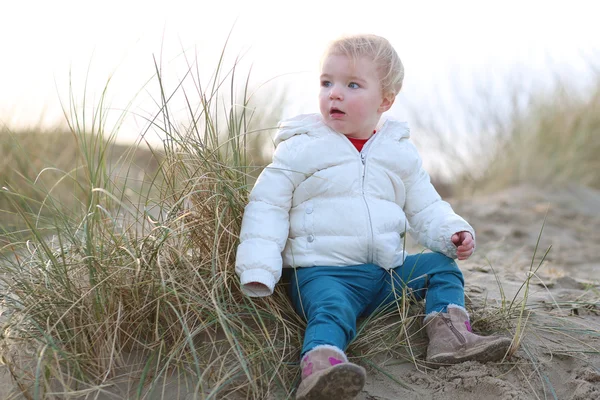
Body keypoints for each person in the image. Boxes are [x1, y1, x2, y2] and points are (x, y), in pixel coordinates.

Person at [235, 34, 511, 400]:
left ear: (385, 100)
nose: (335, 93)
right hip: (321, 273)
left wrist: (453, 231)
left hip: (385, 274)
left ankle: (450, 337)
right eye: (326, 82)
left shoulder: (398, 154)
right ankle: (321, 367)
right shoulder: (301, 148)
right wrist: (257, 270)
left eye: (352, 85)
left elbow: (426, 206)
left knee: (441, 267)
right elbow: (266, 208)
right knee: (332, 309)